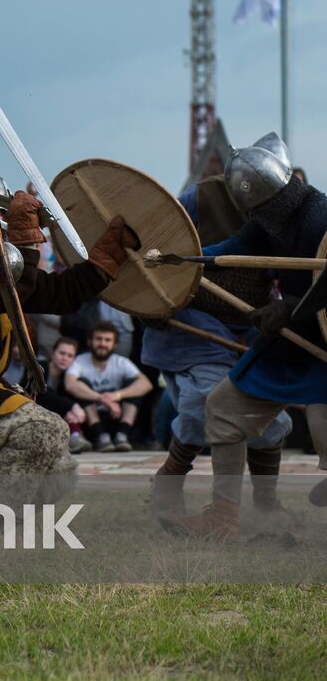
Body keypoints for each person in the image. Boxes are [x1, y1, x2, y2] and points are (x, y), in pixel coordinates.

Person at [0, 179, 135, 510]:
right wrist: (27, 245)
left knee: (61, 471)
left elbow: (57, 293)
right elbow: (7, 292)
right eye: (2, 222)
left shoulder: (1, 273)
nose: (4, 232)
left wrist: (103, 263)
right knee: (42, 431)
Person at [163, 134, 327, 540]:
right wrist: (188, 261)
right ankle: (223, 518)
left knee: (324, 425)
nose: (262, 217)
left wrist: (290, 307)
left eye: (265, 209)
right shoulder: (269, 220)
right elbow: (234, 248)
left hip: (322, 345)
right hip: (290, 340)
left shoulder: (320, 216)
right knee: (221, 407)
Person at [143, 176, 291, 516]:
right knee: (207, 403)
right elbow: (152, 252)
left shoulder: (285, 217)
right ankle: (173, 485)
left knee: (266, 414)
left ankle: (266, 505)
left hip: (252, 326)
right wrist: (148, 304)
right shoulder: (200, 198)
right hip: (192, 321)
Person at [62, 322, 153, 452]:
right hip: (91, 421)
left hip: (117, 417)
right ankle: (100, 437)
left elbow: (146, 384)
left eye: (107, 340)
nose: (103, 344)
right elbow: (70, 384)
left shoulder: (121, 362)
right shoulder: (80, 361)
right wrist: (101, 398)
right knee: (82, 384)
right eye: (98, 339)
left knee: (133, 387)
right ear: (89, 341)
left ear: (114, 344)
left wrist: (117, 395)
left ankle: (122, 435)